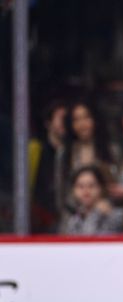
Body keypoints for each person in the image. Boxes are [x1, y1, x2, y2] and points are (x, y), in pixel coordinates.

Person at [57, 101, 117, 213]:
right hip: (74, 215)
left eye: (86, 117)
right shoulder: (64, 153)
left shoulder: (111, 150)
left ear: (95, 120)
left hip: (105, 213)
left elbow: (116, 185)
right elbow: (61, 194)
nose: (82, 124)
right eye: (76, 120)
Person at [30, 99, 67, 233]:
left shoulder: (72, 152)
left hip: (65, 219)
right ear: (48, 123)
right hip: (39, 219)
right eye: (61, 118)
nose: (66, 123)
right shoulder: (36, 150)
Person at [59, 165, 123, 235]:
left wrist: (97, 213)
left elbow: (91, 240)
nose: (86, 191)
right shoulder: (73, 219)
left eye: (91, 186)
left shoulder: (114, 215)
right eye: (80, 186)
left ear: (101, 188)